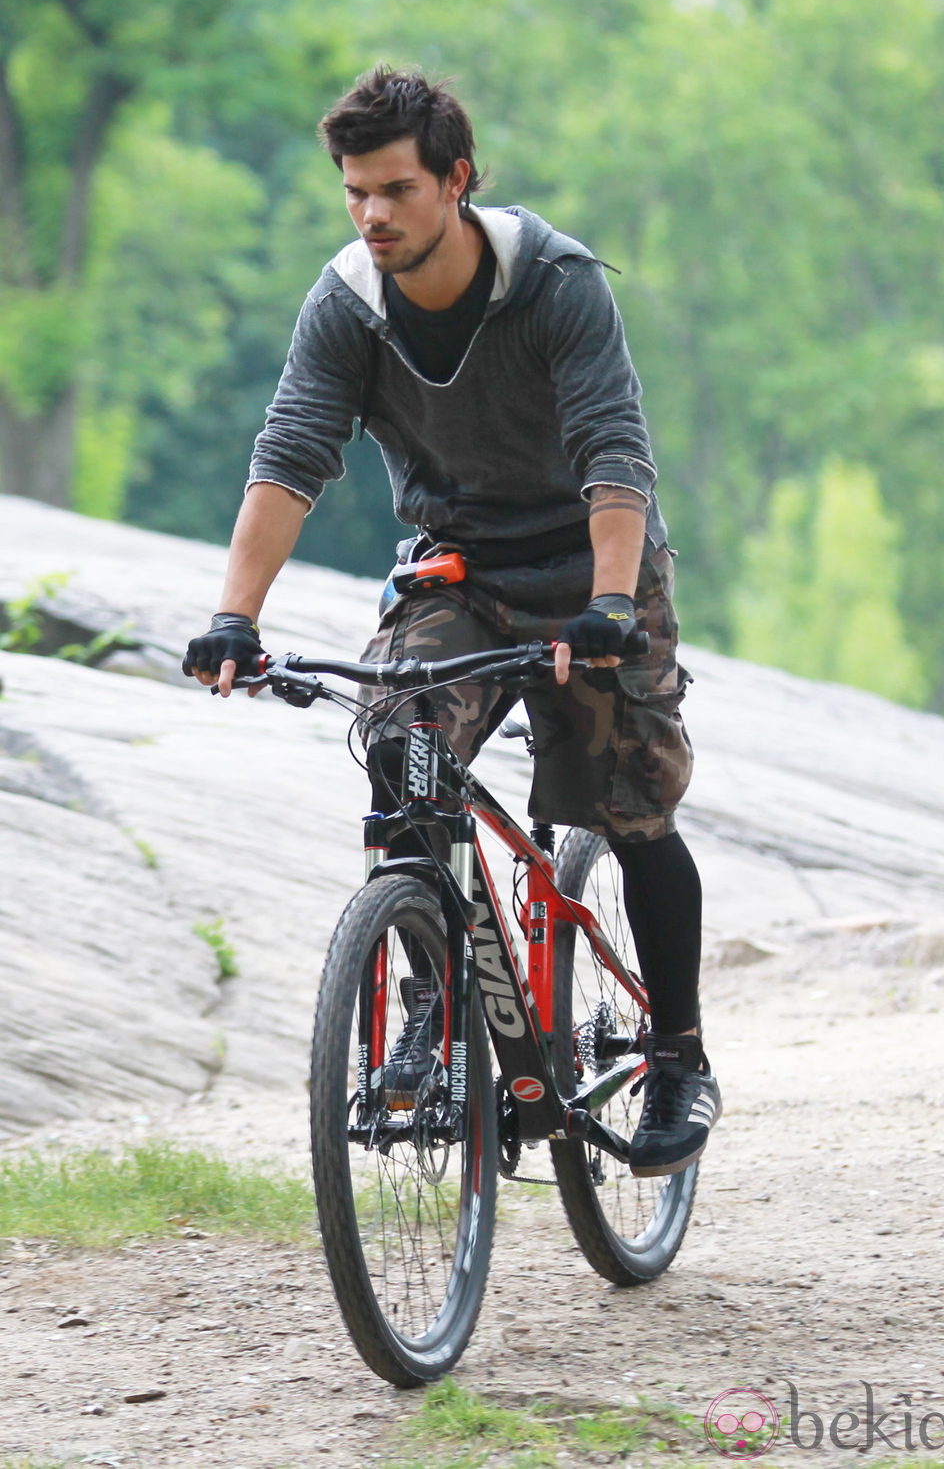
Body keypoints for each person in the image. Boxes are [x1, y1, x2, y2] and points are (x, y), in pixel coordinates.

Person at [183, 66, 721, 1177]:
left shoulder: (556, 285)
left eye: (393, 189)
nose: (371, 215)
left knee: (630, 806)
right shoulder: (346, 305)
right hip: (458, 573)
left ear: (456, 182)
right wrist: (234, 616)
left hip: (590, 571)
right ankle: (431, 990)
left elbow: (614, 453)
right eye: (353, 194)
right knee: (399, 737)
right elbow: (289, 461)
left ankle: (676, 1055)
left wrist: (613, 604)